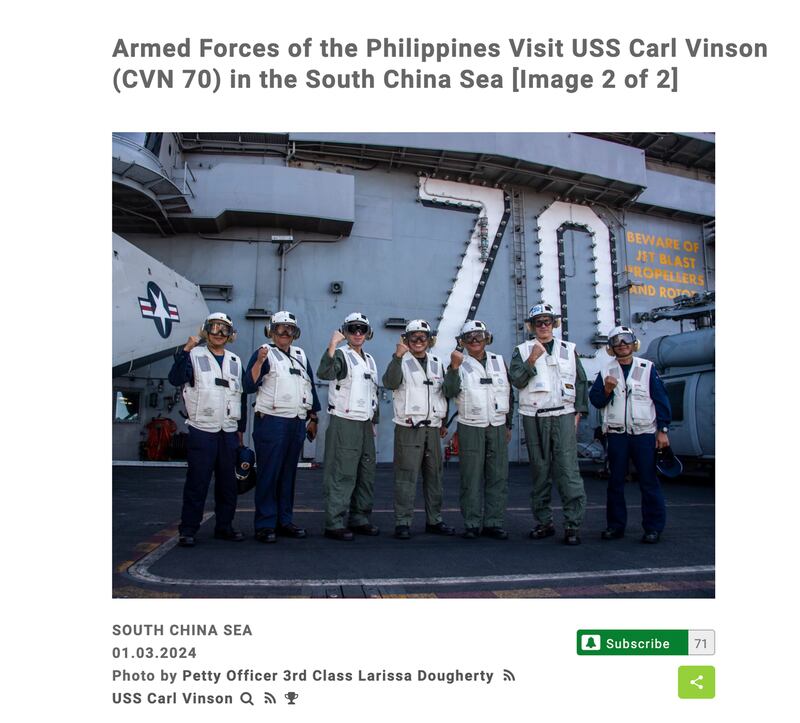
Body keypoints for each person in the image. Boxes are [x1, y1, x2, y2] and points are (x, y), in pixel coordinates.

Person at [509, 302, 588, 546]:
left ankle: (572, 525)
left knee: (567, 471)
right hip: (534, 416)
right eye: (538, 323)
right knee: (540, 472)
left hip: (563, 414)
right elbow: (517, 381)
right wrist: (532, 359)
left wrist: (579, 412)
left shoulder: (569, 349)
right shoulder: (522, 351)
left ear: (554, 324)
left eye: (547, 321)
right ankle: (544, 522)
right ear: (531, 327)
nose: (543, 326)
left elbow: (581, 381)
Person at [168, 312, 246, 547]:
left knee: (228, 485)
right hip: (203, 429)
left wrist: (240, 430)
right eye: (215, 328)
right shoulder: (194, 355)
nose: (219, 334)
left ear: (230, 334)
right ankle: (188, 529)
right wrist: (184, 351)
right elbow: (175, 378)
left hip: (229, 431)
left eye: (224, 329)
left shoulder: (235, 360)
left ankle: (224, 526)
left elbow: (240, 396)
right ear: (206, 330)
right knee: (197, 482)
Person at [589, 325, 672, 544]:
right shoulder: (606, 371)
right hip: (617, 435)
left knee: (648, 481)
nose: (622, 344)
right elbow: (596, 401)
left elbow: (661, 400)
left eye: (626, 340)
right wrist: (606, 390)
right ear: (611, 347)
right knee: (615, 482)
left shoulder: (647, 368)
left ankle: (653, 528)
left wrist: (662, 430)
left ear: (634, 343)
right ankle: (615, 526)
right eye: (617, 341)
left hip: (644, 433)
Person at [244, 311, 321, 544]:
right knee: (269, 473)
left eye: (289, 328)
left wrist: (313, 417)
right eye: (280, 328)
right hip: (272, 421)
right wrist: (258, 361)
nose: (285, 332)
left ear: (295, 333)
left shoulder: (300, 354)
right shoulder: (264, 353)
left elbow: (309, 387)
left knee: (288, 475)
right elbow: (248, 384)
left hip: (296, 422)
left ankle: (284, 520)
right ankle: (265, 524)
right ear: (271, 330)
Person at [382, 319, 455, 540]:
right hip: (409, 427)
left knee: (435, 476)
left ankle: (435, 520)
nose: (418, 341)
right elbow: (390, 383)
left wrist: (443, 423)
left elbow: (444, 393)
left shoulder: (436, 362)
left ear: (429, 340)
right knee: (406, 476)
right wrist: (397, 356)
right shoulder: (400, 361)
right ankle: (403, 522)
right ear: (406, 340)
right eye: (413, 337)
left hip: (432, 428)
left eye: (423, 337)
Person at [443, 320, 513, 540]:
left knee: (498, 476)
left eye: (479, 336)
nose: (475, 340)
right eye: (470, 337)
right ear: (462, 341)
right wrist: (454, 368)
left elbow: (508, 393)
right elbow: (449, 391)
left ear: (486, 338)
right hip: (471, 425)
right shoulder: (457, 362)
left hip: (497, 425)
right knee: (471, 477)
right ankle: (472, 523)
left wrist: (508, 424)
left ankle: (494, 522)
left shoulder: (499, 361)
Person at [317, 312, 381, 541]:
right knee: (342, 473)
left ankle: (359, 518)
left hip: (364, 423)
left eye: (362, 329)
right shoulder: (341, 355)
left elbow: (374, 392)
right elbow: (324, 373)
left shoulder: (370, 360)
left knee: (366, 472)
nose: (357, 333)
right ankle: (334, 522)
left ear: (367, 333)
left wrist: (374, 421)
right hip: (344, 422)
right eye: (353, 328)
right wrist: (333, 344)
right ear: (345, 331)